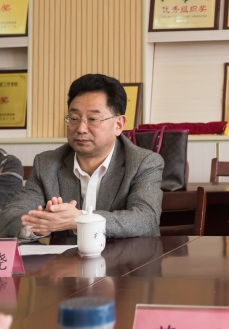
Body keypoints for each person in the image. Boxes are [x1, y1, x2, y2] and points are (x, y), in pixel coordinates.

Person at [0, 74, 164, 239]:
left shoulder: (143, 163)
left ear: (118, 124)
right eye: (74, 118)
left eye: (93, 119)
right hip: (67, 256)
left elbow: (146, 220)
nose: (81, 129)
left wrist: (81, 219)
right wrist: (38, 226)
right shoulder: (46, 164)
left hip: (125, 256)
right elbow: (9, 217)